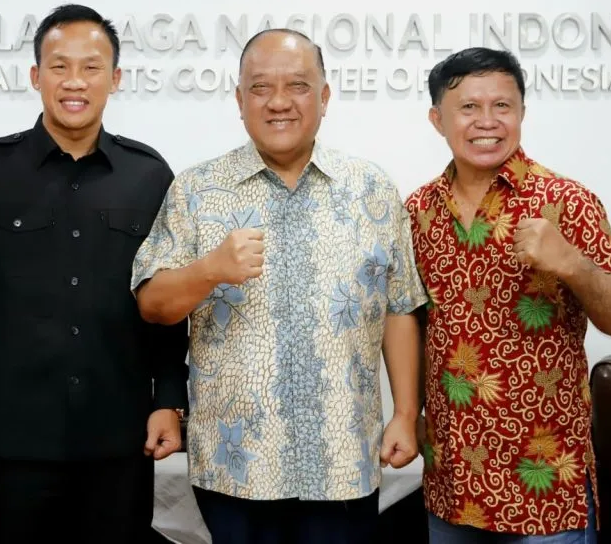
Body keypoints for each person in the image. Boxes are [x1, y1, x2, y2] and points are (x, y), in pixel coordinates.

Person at [0, 3, 189, 543]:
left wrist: (168, 397)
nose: (75, 81)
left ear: (116, 78)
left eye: (92, 67)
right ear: (35, 76)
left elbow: (165, 300)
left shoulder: (148, 175)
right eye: (59, 66)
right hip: (14, 439)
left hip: (116, 436)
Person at [130, 28, 427, 544]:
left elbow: (399, 307)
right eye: (261, 87)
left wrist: (405, 413)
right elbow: (152, 305)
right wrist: (210, 269)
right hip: (236, 468)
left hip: (344, 461)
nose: (279, 102)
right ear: (239, 100)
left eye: (298, 86)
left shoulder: (371, 188)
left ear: (324, 97)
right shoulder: (196, 189)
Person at [405, 47, 611, 543]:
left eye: (502, 105)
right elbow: (412, 325)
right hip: (453, 481)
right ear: (437, 120)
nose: (487, 121)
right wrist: (409, 414)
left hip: (546, 487)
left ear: (522, 112)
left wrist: (571, 263)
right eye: (468, 107)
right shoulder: (417, 211)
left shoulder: (566, 201)